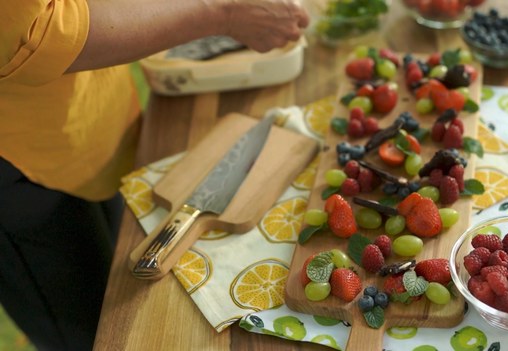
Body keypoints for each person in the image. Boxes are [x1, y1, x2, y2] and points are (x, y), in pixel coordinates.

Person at [0, 1, 309, 350]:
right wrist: (225, 14)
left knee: (116, 277)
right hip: (18, 162)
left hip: (81, 128)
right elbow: (33, 34)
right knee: (85, 330)